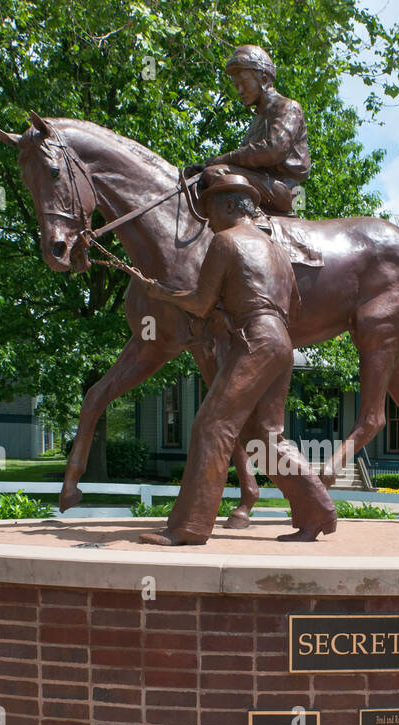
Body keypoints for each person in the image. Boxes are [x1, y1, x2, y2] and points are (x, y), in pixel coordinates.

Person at [137, 172, 336, 547]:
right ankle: (317, 511)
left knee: (213, 425)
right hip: (282, 343)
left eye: (210, 208)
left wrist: (161, 293)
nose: (206, 219)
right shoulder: (277, 251)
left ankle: (190, 526)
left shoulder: (225, 243)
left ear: (229, 205)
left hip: (255, 342)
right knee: (266, 436)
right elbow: (292, 306)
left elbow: (199, 303)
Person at [193, 45, 309, 216]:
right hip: (264, 183)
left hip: (284, 188)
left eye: (244, 83)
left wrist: (223, 160)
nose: (239, 90)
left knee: (216, 173)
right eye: (236, 85)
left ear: (263, 78)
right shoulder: (258, 119)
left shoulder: (288, 107)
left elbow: (273, 150)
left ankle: (241, 223)